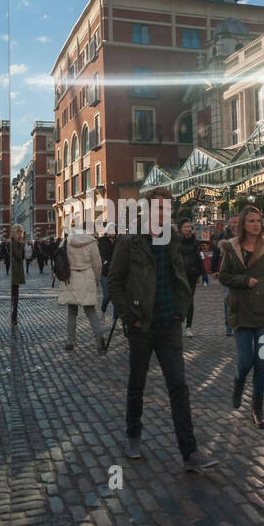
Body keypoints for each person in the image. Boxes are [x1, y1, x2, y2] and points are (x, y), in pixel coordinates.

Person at [107, 187, 217, 471]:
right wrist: (130, 318)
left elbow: (181, 277)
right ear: (145, 211)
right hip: (142, 324)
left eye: (166, 210)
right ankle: (133, 434)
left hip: (169, 323)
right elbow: (114, 283)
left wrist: (181, 312)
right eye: (157, 209)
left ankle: (190, 451)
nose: (162, 215)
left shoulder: (173, 241)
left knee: (178, 385)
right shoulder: (130, 242)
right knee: (137, 383)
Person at [219, 206, 264, 429]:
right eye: (251, 221)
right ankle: (238, 381)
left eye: (259, 220)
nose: (256, 224)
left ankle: (257, 409)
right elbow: (223, 276)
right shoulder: (232, 248)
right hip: (240, 313)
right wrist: (243, 281)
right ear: (242, 224)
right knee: (245, 361)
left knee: (262, 363)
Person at [57, 226, 104, 351]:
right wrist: (97, 279)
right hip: (87, 276)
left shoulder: (66, 241)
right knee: (90, 310)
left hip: (70, 277)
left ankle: (70, 340)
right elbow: (97, 264)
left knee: (72, 311)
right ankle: (98, 334)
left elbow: (60, 260)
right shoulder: (92, 242)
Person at [177, 220, 206, 338]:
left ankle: (188, 326)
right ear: (180, 229)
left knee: (190, 300)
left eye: (189, 227)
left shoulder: (195, 242)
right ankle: (179, 323)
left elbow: (199, 257)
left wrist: (203, 273)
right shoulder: (177, 242)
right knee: (179, 299)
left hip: (192, 274)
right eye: (185, 227)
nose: (188, 229)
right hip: (180, 275)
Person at [212, 214, 240, 336]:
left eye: (237, 222)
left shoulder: (245, 236)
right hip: (227, 271)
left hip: (241, 271)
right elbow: (216, 253)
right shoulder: (223, 236)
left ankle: (239, 323)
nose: (235, 224)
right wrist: (214, 269)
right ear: (229, 224)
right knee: (228, 299)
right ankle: (228, 325)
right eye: (233, 222)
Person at [10, 224, 27, 326]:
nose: (21, 234)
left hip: (17, 272)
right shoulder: (13, 243)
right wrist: (21, 244)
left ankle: (14, 317)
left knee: (16, 296)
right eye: (19, 232)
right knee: (14, 296)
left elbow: (23, 256)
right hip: (14, 273)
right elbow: (18, 255)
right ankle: (13, 318)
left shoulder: (17, 243)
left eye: (21, 232)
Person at [97, 232, 115, 315]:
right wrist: (103, 261)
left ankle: (116, 317)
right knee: (107, 295)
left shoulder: (119, 241)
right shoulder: (101, 241)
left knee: (117, 297)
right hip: (104, 272)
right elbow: (97, 254)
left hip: (116, 272)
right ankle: (103, 310)